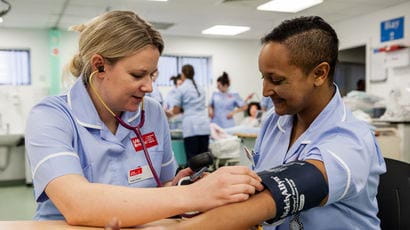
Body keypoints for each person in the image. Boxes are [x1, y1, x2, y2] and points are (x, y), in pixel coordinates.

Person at [24, 11, 264, 227]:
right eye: (138, 75)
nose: (149, 86)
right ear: (100, 66)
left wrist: (180, 186)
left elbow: (163, 187)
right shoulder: (50, 116)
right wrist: (198, 194)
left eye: (153, 74)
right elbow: (78, 205)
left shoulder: (152, 113)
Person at [151, 16, 386, 230]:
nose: (264, 91)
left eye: (276, 80)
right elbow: (257, 189)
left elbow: (274, 198)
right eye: (264, 77)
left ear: (319, 74)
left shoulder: (351, 140)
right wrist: (213, 190)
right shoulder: (276, 120)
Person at [168, 64, 211, 160]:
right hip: (204, 126)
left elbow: (176, 110)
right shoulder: (201, 88)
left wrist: (168, 112)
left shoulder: (182, 88)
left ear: (183, 74)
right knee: (204, 159)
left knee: (194, 159)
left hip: (191, 128)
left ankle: (196, 175)